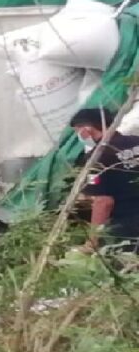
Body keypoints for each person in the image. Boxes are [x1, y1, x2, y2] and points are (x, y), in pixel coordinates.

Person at [71, 107, 139, 252]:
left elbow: (103, 201)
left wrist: (92, 241)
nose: (79, 136)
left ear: (86, 130)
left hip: (130, 225)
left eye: (77, 131)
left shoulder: (96, 158)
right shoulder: (137, 140)